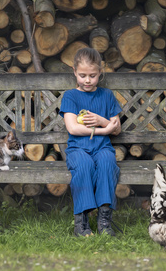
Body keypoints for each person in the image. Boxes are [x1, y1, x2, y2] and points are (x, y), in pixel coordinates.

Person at [59, 48, 122, 237]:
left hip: (102, 147)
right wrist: (104, 129)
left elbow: (117, 128)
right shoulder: (71, 96)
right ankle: (82, 223)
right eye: (83, 75)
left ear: (100, 73)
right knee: (84, 166)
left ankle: (104, 221)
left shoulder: (107, 96)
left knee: (107, 164)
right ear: (74, 72)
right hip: (78, 148)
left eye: (92, 76)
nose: (87, 80)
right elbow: (73, 128)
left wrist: (101, 120)